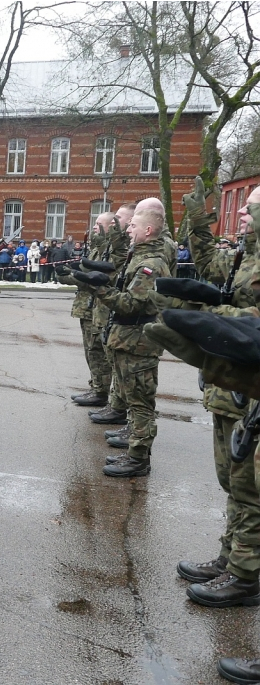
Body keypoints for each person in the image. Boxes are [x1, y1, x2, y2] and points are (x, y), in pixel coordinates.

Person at [173, 179, 260, 608]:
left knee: (248, 486)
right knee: (233, 479)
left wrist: (212, 315)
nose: (242, 214)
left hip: (250, 385)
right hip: (236, 385)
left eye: (250, 209)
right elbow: (209, 262)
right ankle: (232, 557)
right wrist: (196, 216)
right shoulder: (246, 256)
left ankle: (246, 573)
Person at [73, 206, 171, 477]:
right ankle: (134, 451)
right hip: (129, 340)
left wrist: (99, 287)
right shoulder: (139, 258)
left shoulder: (150, 264)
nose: (128, 230)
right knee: (133, 398)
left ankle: (138, 459)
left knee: (140, 404)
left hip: (138, 342)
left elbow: (130, 304)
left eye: (133, 227)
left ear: (148, 230)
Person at [58, 214, 113, 407]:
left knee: (98, 352)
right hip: (87, 306)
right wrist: (67, 274)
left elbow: (92, 278)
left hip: (97, 307)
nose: (95, 227)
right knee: (90, 351)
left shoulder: (110, 251)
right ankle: (96, 386)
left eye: (99, 224)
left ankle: (101, 390)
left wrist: (72, 274)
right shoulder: (97, 249)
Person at [89, 204, 134, 427]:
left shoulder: (133, 250)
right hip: (105, 310)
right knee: (106, 358)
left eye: (119, 219)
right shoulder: (121, 246)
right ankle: (111, 401)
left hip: (125, 320)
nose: (115, 224)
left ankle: (121, 412)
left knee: (122, 369)